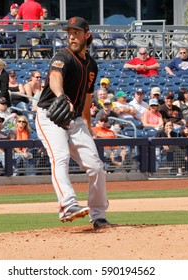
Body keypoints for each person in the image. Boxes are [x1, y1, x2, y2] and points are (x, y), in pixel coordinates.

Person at [35, 16, 110, 229]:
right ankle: (68, 205)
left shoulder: (92, 65)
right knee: (61, 157)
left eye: (76, 32)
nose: (72, 36)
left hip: (75, 120)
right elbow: (55, 77)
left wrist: (87, 124)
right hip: (51, 115)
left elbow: (87, 97)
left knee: (96, 167)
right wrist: (60, 95)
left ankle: (98, 215)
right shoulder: (63, 56)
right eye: (69, 32)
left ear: (87, 35)